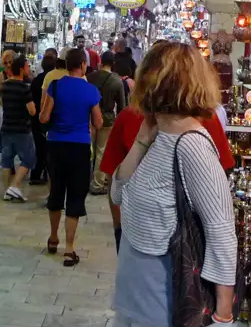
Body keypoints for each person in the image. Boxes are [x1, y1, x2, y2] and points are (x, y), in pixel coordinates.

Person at [93, 42, 243, 327]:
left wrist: (222, 316)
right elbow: (117, 192)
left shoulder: (193, 145)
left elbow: (222, 231)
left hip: (165, 303)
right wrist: (143, 138)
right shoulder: (159, 137)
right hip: (135, 297)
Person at [100, 105, 235, 250]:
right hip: (140, 240)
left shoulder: (205, 119)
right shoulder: (130, 116)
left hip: (185, 245)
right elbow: (114, 184)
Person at [39, 48, 101, 267]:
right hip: (79, 147)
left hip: (56, 145)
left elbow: (44, 116)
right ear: (83, 65)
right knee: (75, 195)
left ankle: (53, 237)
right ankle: (69, 249)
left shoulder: (55, 86)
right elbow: (99, 122)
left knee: (56, 191)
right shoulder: (91, 91)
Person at [87, 50, 126, 195]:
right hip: (107, 120)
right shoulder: (117, 81)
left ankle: (84, 179)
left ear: (101, 62)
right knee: (101, 151)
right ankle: (97, 183)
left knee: (88, 150)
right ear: (113, 63)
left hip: (90, 118)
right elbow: (122, 106)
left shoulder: (90, 78)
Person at [0, 55, 36, 202]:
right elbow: (32, 111)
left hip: (6, 126)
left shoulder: (5, 86)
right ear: (21, 69)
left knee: (6, 160)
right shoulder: (24, 88)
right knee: (29, 159)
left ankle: (7, 191)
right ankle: (14, 187)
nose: (29, 69)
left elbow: (2, 104)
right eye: (27, 67)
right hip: (22, 129)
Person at [29, 49, 57, 185]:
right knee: (48, 149)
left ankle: (36, 173)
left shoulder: (36, 81)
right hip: (50, 118)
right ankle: (44, 173)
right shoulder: (56, 81)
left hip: (36, 118)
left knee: (39, 149)